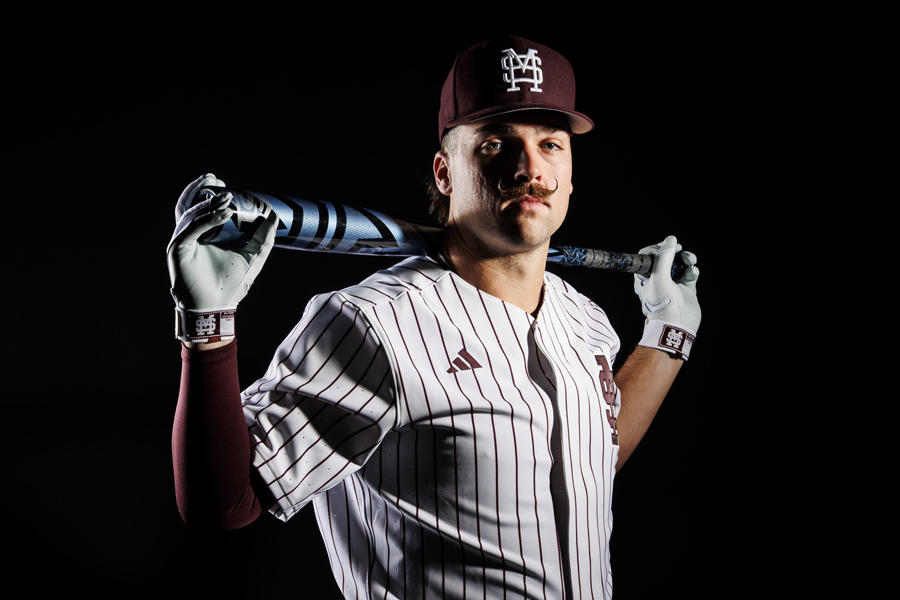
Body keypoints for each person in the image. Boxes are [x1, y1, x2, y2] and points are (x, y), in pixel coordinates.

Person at [167, 36, 700, 600]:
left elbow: (586, 461)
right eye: (497, 144)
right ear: (445, 173)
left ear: (569, 175)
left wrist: (669, 335)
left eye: (551, 145)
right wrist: (208, 325)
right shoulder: (372, 323)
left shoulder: (585, 319)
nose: (529, 168)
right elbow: (223, 505)